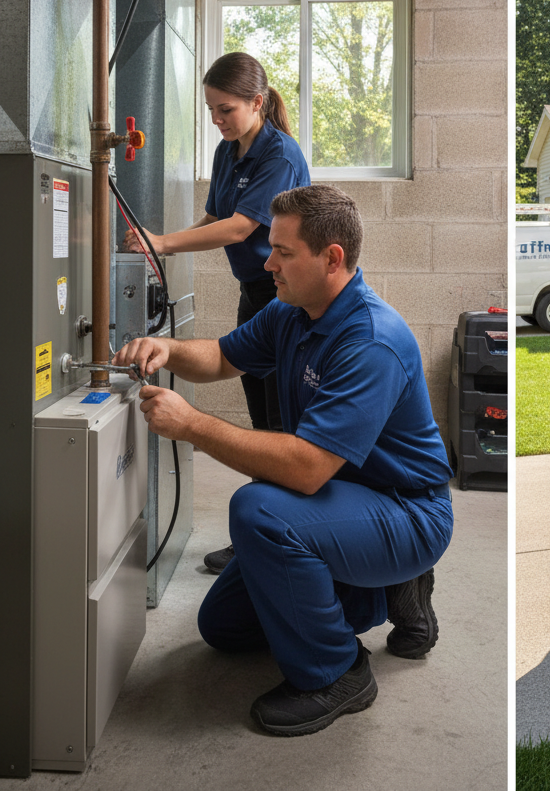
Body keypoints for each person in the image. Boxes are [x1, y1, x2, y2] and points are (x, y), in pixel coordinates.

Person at [113, 185, 454, 735]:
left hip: (405, 510)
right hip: (342, 498)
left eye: (283, 252)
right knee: (222, 626)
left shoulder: (369, 340)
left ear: (332, 258)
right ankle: (380, 589)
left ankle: (337, 672)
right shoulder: (292, 311)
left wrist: (192, 425)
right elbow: (224, 356)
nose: (267, 262)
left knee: (260, 510)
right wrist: (170, 350)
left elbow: (306, 467)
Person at [125, 51, 311, 573]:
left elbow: (239, 228)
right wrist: (161, 243)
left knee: (280, 422)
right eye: (210, 110)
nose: (217, 120)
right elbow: (215, 215)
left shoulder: (280, 154)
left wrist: (161, 242)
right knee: (259, 412)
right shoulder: (229, 150)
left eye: (225, 109)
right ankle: (261, 533)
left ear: (257, 102)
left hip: (286, 297)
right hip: (255, 293)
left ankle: (277, 536)